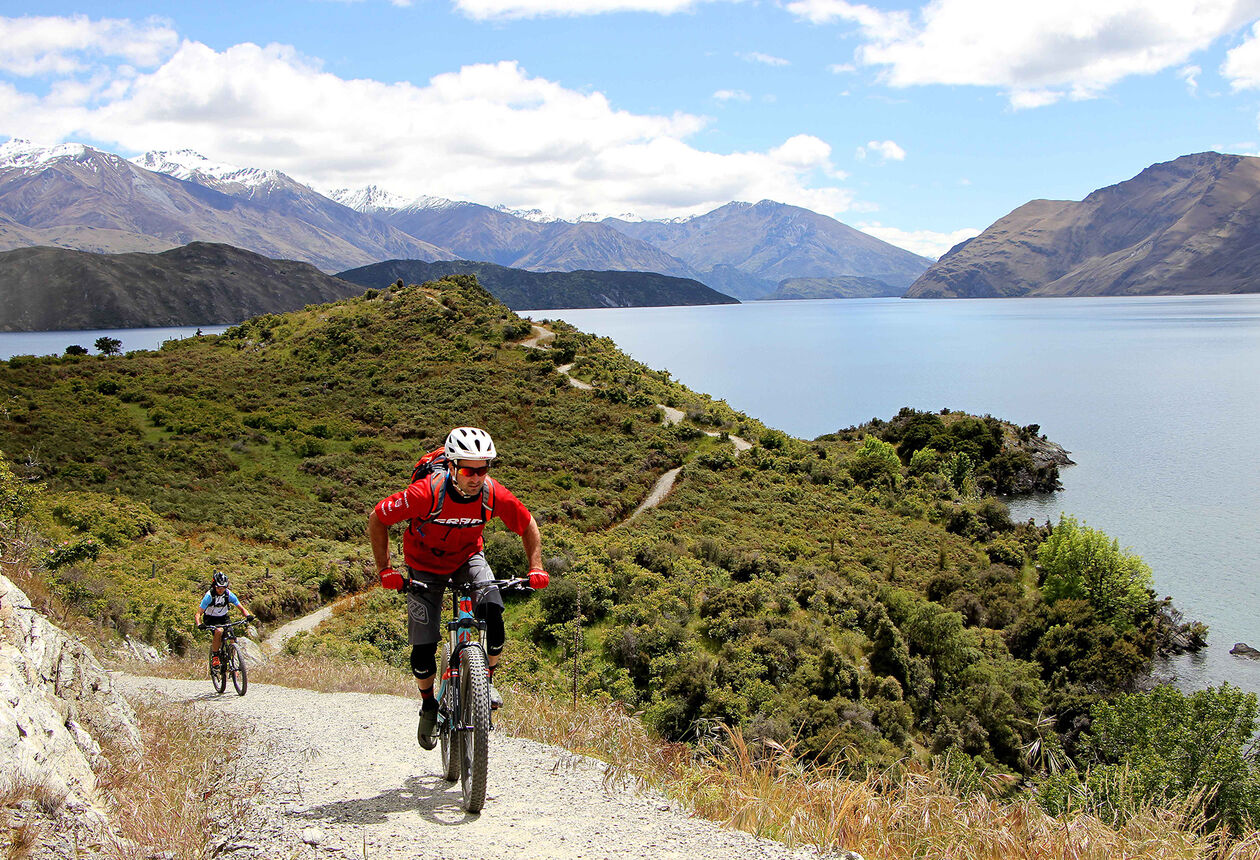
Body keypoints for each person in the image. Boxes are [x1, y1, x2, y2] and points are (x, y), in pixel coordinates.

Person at [368, 426, 548, 748]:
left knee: (492, 608)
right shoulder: (425, 493)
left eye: (483, 469)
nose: (476, 477)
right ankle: (428, 704)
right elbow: (378, 518)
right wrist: (386, 569)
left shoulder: (493, 494)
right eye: (468, 469)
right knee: (423, 647)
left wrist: (535, 567)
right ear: (452, 466)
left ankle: (485, 682)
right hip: (424, 564)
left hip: (468, 556)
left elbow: (528, 524)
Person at [195, 570, 251, 666]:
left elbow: (241, 608)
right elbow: (198, 614)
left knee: (232, 638)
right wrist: (199, 624)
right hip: (211, 618)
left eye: (223, 587)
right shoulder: (209, 596)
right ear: (214, 586)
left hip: (224, 617)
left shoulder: (228, 594)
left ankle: (232, 662)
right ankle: (215, 656)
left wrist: (248, 615)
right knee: (219, 631)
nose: (221, 590)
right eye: (218, 587)